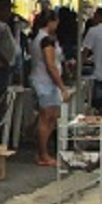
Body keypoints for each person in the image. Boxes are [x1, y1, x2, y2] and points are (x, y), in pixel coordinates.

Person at [30, 11, 71, 165]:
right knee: (46, 118)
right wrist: (62, 86)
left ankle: (42, 151)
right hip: (45, 82)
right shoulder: (46, 41)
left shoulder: (38, 38)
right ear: (51, 22)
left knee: (50, 117)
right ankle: (43, 153)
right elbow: (50, 64)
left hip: (43, 81)